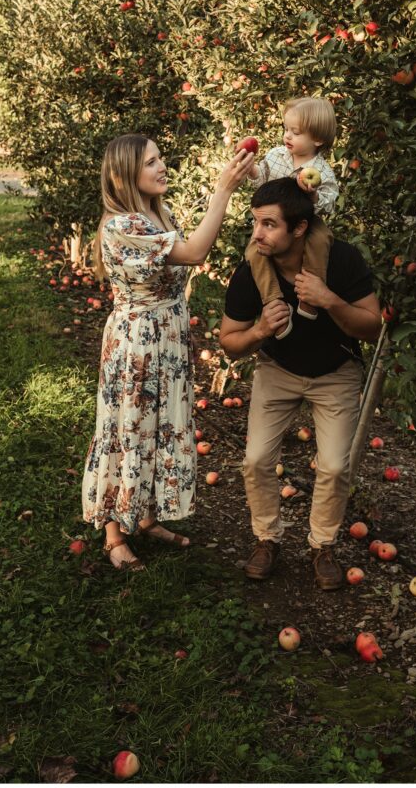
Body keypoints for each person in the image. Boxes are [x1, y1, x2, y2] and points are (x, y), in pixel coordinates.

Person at [82, 133, 254, 571]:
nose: (162, 167)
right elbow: (195, 252)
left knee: (159, 428)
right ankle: (114, 534)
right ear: (126, 175)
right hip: (138, 345)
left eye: (161, 157)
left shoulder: (157, 214)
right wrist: (223, 191)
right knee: (129, 429)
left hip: (168, 339)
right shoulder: (122, 226)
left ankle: (146, 516)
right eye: (151, 162)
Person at [219, 177, 382, 590]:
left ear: (299, 227)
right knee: (255, 460)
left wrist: (328, 299)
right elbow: (229, 342)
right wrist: (258, 332)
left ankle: (322, 545)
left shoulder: (342, 260)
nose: (257, 234)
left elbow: (373, 328)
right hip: (278, 369)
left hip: (335, 373)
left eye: (269, 225)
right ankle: (266, 538)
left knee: (333, 465)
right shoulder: (252, 269)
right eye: (255, 222)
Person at [246, 97, 338, 336]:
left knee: (320, 241)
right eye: (286, 129)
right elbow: (261, 176)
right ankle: (273, 300)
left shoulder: (322, 171)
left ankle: (309, 294)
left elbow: (329, 203)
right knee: (253, 252)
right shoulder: (277, 155)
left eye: (295, 132)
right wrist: (251, 168)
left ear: (317, 139)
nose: (287, 136)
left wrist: (314, 195)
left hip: (308, 221)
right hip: (273, 221)